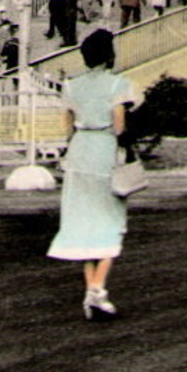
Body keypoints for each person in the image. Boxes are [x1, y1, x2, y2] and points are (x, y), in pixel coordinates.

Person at [48, 29, 139, 320]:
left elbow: (66, 124)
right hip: (103, 148)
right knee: (110, 219)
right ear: (109, 54)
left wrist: (71, 142)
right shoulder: (118, 84)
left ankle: (93, 291)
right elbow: (119, 124)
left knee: (82, 222)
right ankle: (97, 290)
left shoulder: (71, 86)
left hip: (79, 149)